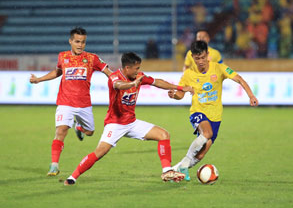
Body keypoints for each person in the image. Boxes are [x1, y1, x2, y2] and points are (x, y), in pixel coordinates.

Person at [64, 52, 193, 185]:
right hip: (115, 124)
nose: (138, 71)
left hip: (131, 122)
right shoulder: (114, 78)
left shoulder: (139, 77)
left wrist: (180, 88)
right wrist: (133, 84)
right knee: (100, 152)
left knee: (163, 134)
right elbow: (119, 85)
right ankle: (72, 177)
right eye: (136, 68)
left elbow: (157, 82)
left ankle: (167, 171)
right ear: (127, 68)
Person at [168, 41, 258, 181]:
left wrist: (251, 95)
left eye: (203, 57)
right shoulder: (188, 74)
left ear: (208, 55)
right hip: (198, 112)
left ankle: (176, 169)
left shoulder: (219, 68)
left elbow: (239, 79)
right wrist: (174, 95)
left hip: (215, 116)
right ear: (192, 57)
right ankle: (184, 165)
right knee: (207, 133)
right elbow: (180, 94)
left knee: (200, 155)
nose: (201, 61)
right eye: (197, 58)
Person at [29, 27, 113, 176]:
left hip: (84, 104)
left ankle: (79, 127)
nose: (80, 45)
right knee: (60, 131)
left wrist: (117, 82)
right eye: (77, 41)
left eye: (83, 42)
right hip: (65, 101)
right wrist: (38, 80)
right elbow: (58, 72)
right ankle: (54, 165)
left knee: (90, 132)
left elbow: (108, 72)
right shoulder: (63, 56)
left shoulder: (92, 58)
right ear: (70, 41)